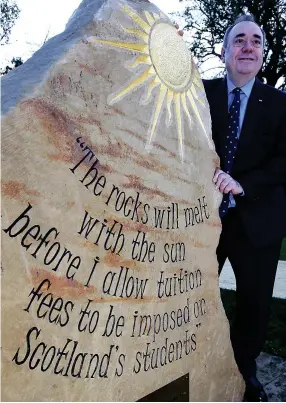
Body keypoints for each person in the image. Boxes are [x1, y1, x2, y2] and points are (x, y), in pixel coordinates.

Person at [203, 14, 286, 402]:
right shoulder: (200, 95)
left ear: (263, 54)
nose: (248, 46)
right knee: (195, 296)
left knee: (254, 305)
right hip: (203, 222)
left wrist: (244, 184)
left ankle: (243, 372)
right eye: (239, 40)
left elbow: (284, 161)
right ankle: (196, 362)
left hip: (259, 221)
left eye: (256, 40)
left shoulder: (281, 104)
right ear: (224, 51)